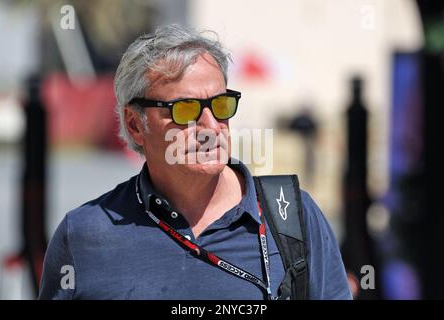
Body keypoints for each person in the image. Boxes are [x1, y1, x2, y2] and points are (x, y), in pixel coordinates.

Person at [38, 24, 351, 300]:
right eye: (185, 110)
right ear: (135, 124)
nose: (211, 127)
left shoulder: (294, 217)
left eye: (221, 105)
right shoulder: (84, 234)